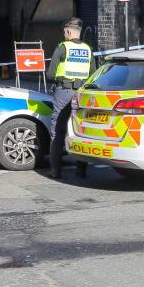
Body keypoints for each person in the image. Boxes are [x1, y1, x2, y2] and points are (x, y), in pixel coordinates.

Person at [46, 17, 94, 179]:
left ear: (68, 31)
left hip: (63, 92)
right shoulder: (88, 49)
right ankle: (81, 171)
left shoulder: (62, 47)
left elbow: (50, 73)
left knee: (58, 132)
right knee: (80, 131)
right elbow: (93, 74)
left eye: (64, 32)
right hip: (81, 93)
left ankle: (55, 171)